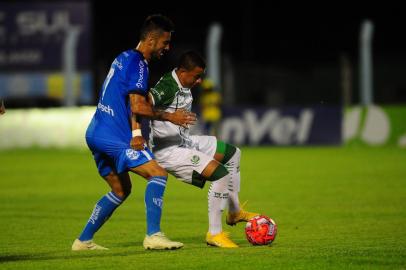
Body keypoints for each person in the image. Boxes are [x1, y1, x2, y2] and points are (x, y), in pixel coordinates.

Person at [72, 14, 196, 251]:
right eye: (165, 43)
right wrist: (169, 116)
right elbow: (138, 105)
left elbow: (130, 101)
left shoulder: (123, 57)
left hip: (96, 131)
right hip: (114, 136)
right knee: (158, 174)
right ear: (150, 40)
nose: (167, 48)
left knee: (120, 190)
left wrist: (137, 129)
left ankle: (83, 240)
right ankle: (153, 235)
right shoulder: (139, 62)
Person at [148, 50, 259, 248]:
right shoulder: (167, 86)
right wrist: (169, 118)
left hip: (184, 141)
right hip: (168, 151)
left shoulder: (182, 82)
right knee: (220, 174)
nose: (199, 81)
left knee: (233, 154)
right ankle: (214, 234)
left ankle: (234, 212)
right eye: (196, 76)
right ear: (182, 72)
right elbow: (140, 106)